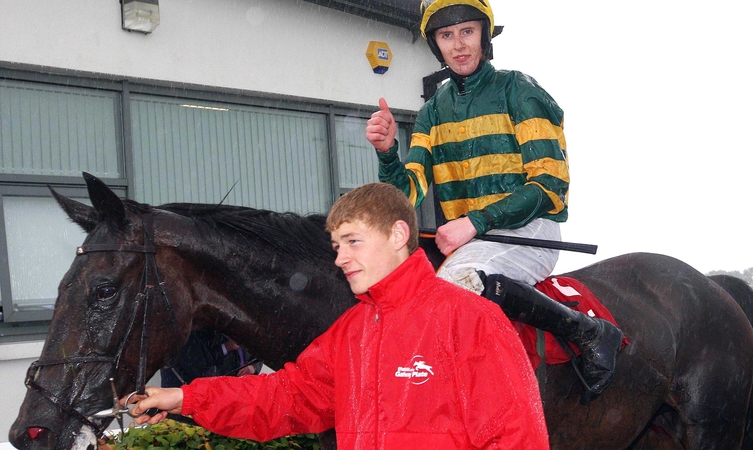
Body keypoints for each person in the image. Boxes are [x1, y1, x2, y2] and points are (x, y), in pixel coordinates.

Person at [127, 182, 550, 449]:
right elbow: (285, 398)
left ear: (398, 235)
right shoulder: (350, 332)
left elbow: (516, 437)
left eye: (353, 241)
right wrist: (185, 398)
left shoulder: (471, 319)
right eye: (336, 246)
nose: (340, 258)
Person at [365, 0, 622, 400]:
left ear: (484, 36)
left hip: (532, 229)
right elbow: (408, 192)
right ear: (436, 44)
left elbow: (550, 184)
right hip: (469, 240)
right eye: (446, 35)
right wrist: (387, 153)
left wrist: (475, 222)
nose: (458, 45)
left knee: (454, 286)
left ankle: (589, 332)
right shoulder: (432, 113)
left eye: (467, 32)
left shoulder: (519, 90)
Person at [160, 330, 261, 388]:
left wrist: (254, 367)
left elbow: (260, 349)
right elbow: (201, 361)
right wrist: (226, 347)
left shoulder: (246, 325)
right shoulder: (207, 328)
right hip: (222, 388)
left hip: (247, 387)